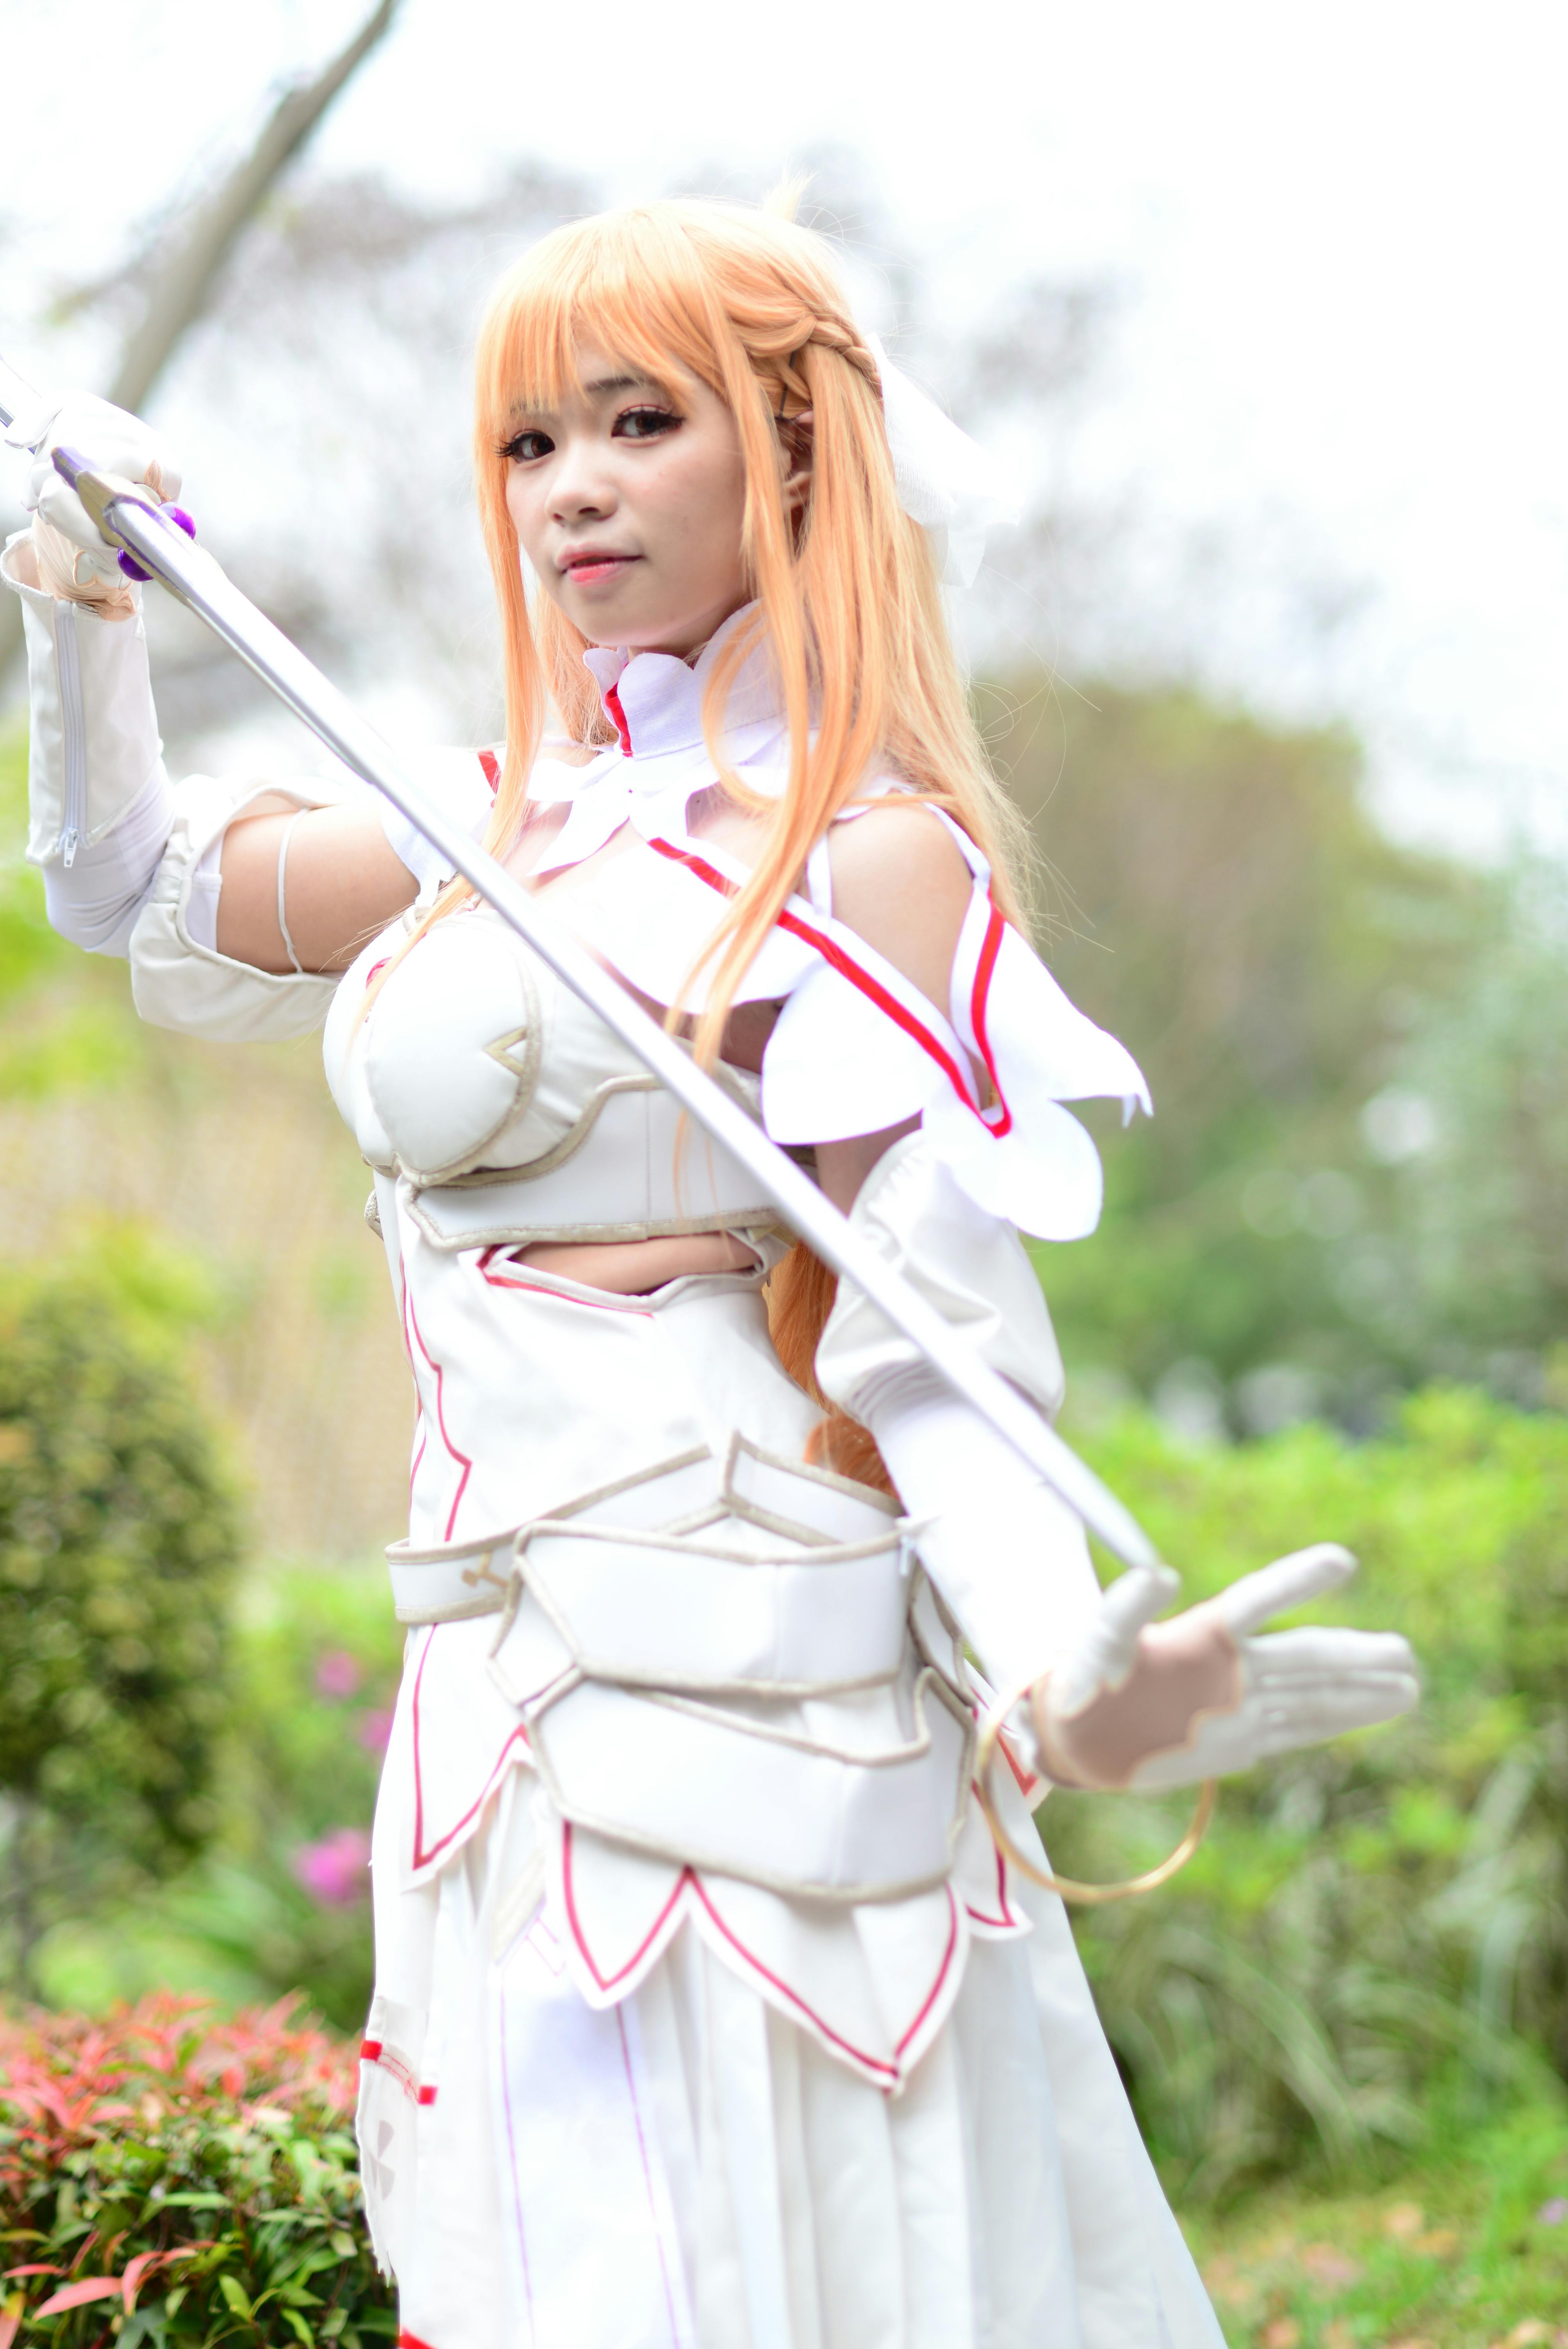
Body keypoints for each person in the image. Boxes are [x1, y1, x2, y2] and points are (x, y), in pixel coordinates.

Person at [5, 198, 1417, 2349]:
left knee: (798, 2255)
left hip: (773, 1694)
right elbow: (123, 885)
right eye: (528, 442)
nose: (571, 484)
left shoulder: (866, 846)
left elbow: (925, 1334)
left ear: (786, 454)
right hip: (498, 1698)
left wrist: (1063, 1677)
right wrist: (79, 604)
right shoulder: (480, 820)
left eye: (638, 422)